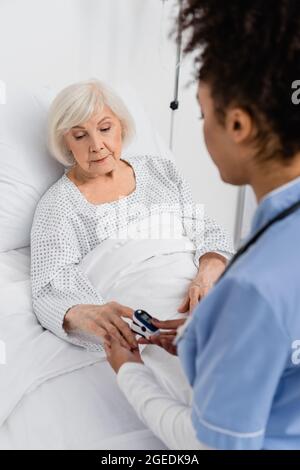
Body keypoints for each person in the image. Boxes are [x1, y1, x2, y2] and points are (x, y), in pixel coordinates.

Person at [105, 0, 300, 450]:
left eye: (202, 114)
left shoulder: (252, 289)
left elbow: (207, 446)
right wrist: (208, 335)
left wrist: (128, 370)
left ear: (237, 124)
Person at [30, 78, 233, 352]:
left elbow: (205, 229)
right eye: (80, 135)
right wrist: (84, 314)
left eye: (104, 128)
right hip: (147, 308)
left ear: (122, 127)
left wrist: (210, 269)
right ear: (65, 143)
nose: (96, 144)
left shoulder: (161, 171)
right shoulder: (58, 205)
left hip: (199, 290)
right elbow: (50, 287)